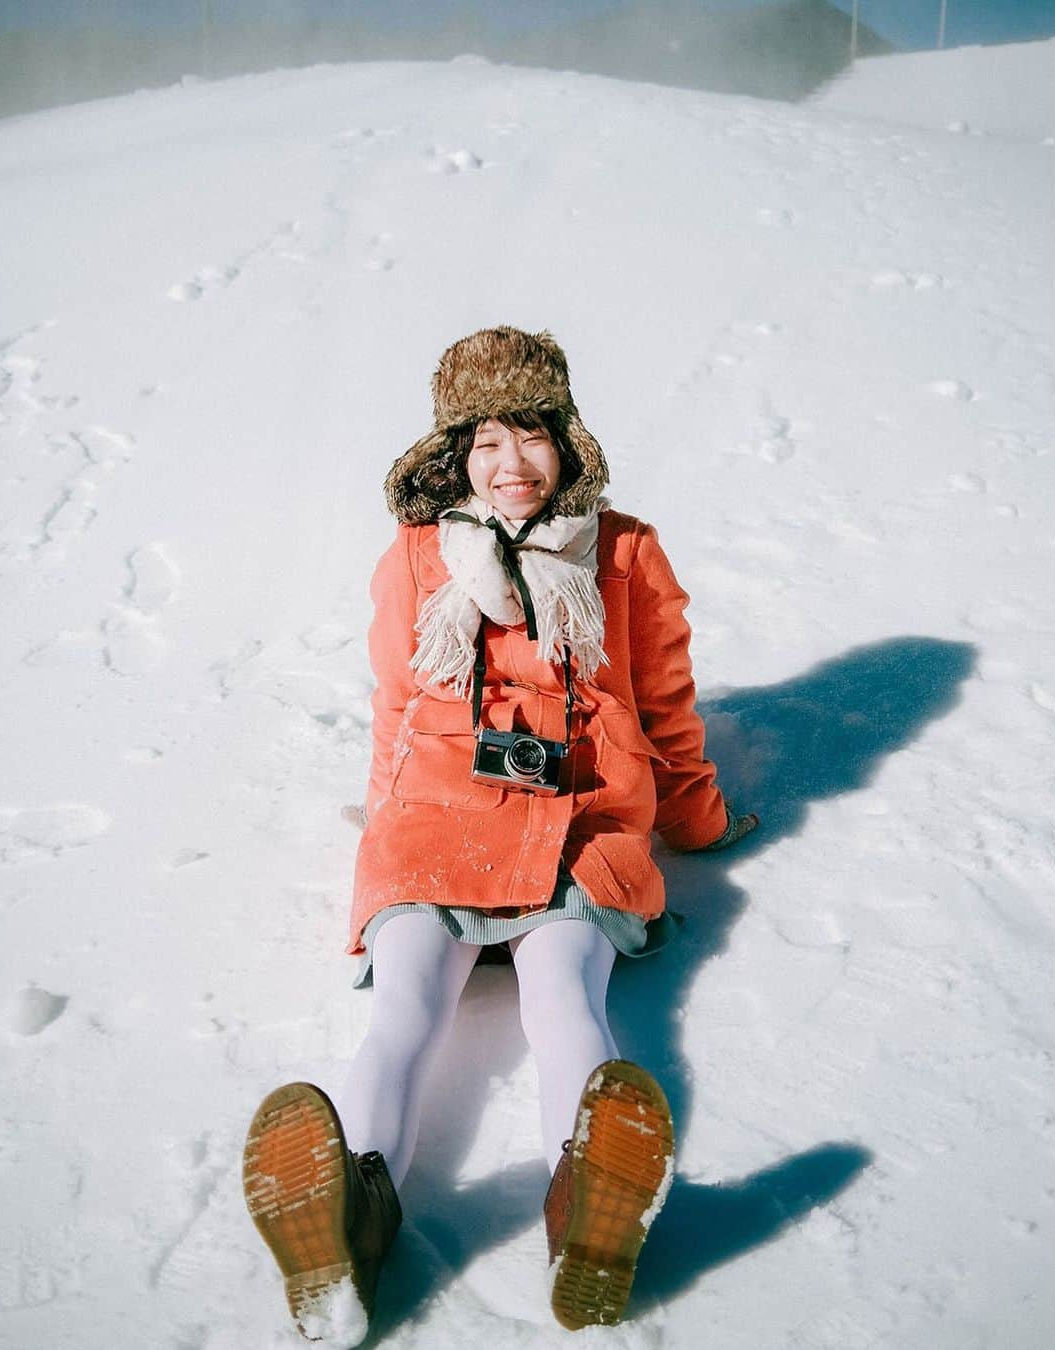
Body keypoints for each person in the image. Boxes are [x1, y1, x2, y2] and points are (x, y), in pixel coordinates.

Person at [243, 326, 758, 1344]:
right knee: (404, 1011)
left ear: (568, 442)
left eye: (531, 435)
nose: (510, 465)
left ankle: (589, 1216)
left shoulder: (623, 550)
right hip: (437, 809)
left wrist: (695, 819)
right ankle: (347, 1225)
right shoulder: (418, 555)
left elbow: (664, 702)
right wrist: (384, 825)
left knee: (561, 993)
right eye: (485, 442)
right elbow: (396, 699)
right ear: (452, 455)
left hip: (581, 815)